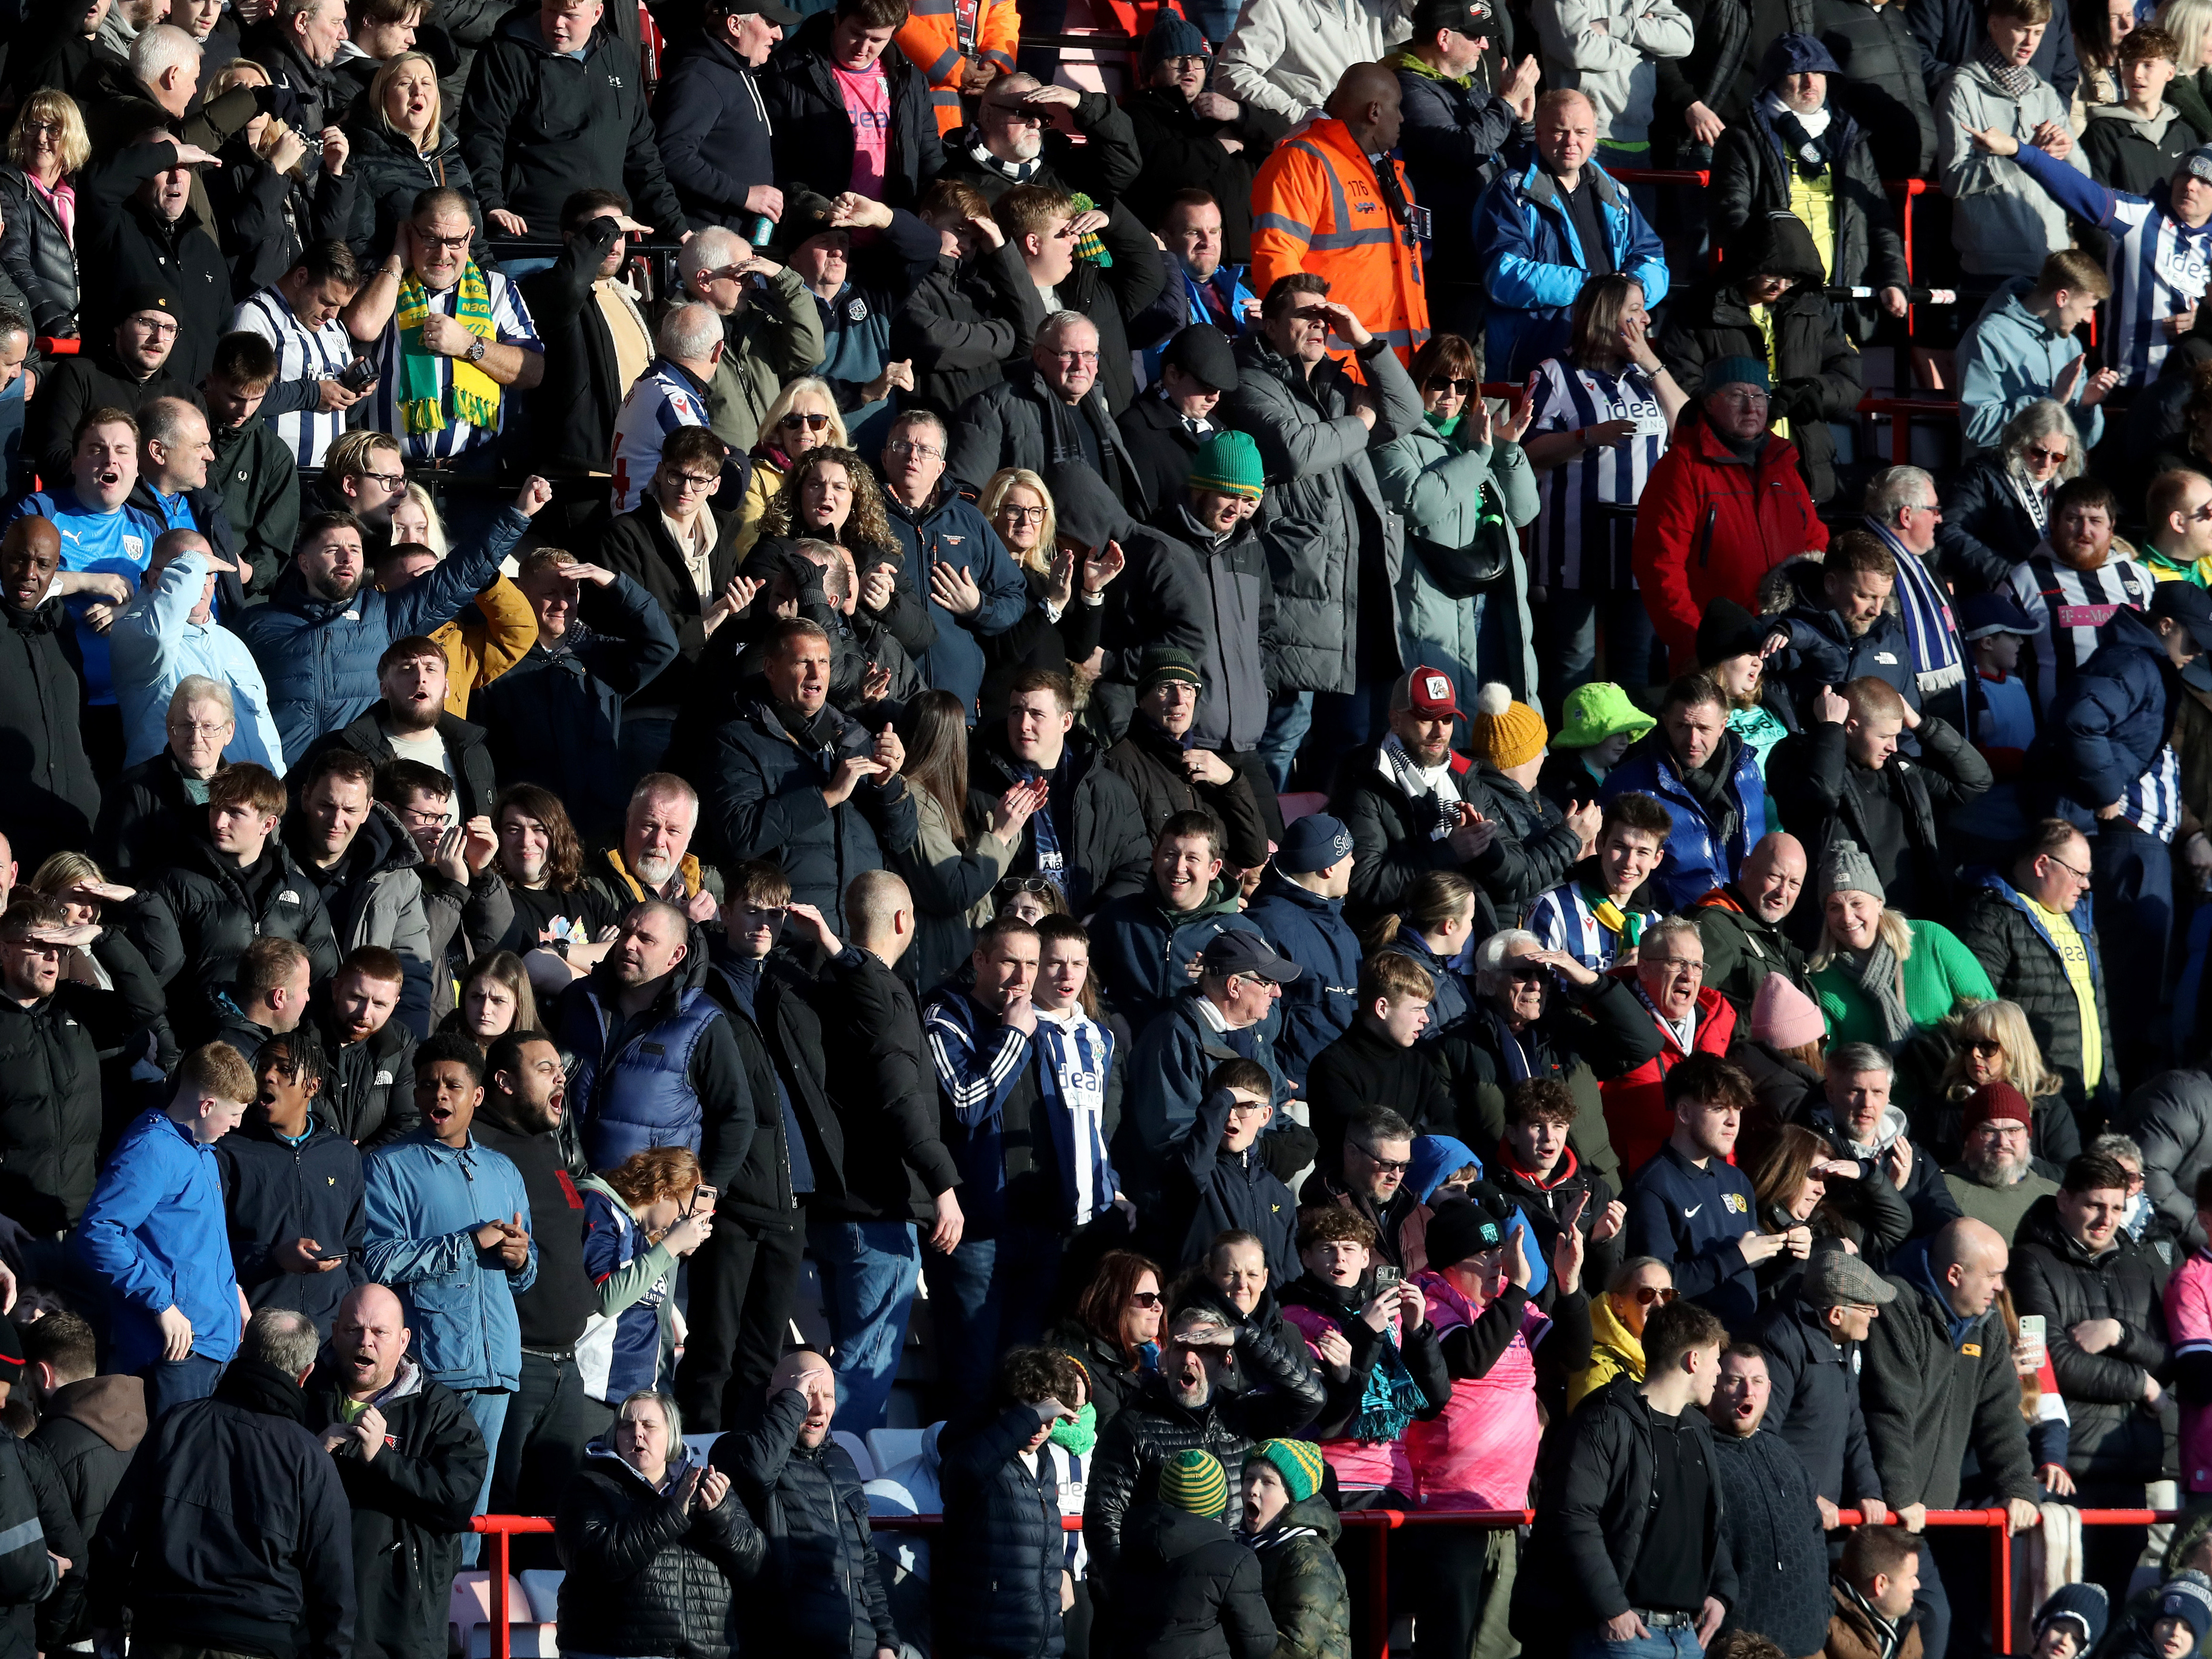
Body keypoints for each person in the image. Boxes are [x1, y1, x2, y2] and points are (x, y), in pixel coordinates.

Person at [1224, 271, 1422, 782]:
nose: (1319, 324)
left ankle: (1333, 854)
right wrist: (1359, 425)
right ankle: (1264, 851)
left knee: (1354, 750)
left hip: (1357, 601)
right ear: (1268, 325)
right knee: (1283, 740)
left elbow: (1407, 412)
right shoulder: (1247, 379)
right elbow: (1297, 451)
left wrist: (1366, 342)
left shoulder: (1336, 382)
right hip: (1297, 602)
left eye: (1326, 315)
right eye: (1304, 314)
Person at [86, 1308, 354, 1659]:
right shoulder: (309, 1458)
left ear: (241, 1350)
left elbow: (116, 1534)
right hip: (255, 1642)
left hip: (161, 1637)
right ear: (305, 1375)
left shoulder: (177, 1424)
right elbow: (333, 1583)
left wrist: (105, 1617)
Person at [241, 481, 549, 768]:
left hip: (362, 794)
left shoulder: (386, 616)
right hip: (281, 789)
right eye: (333, 550)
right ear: (305, 563)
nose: (347, 558)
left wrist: (517, 514)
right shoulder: (257, 625)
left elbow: (460, 573)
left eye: (356, 550)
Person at [362, 1032, 536, 1524]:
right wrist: (465, 1244)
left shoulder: (504, 1171)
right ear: (416, 1095)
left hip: (497, 1369)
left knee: (473, 1517)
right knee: (420, 1511)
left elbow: (525, 1278)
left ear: (477, 1095)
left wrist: (522, 1259)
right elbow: (377, 1261)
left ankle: (461, 1600)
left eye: (453, 1085)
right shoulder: (388, 1167)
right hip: (432, 1370)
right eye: (428, 1084)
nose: (440, 1093)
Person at [1512, 1296, 1737, 1655]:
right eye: (1716, 1361)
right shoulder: (1604, 1421)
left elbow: (1706, 1521)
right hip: (1621, 1637)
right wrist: (1612, 1607)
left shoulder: (1698, 1431)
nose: (1719, 1373)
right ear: (1694, 1361)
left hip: (1687, 1637)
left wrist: (1723, 1591)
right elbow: (1572, 1517)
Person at [1860, 1218, 2043, 1659]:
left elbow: (2001, 1413)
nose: (2001, 1288)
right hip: (1881, 1517)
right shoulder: (1898, 1304)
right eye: (1993, 1275)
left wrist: (2018, 1487)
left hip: (1929, 1522)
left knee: (1935, 1626)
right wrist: (1899, 1495)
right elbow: (1889, 1411)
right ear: (1955, 1274)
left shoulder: (1985, 1323)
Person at [2012, 1150, 2174, 1599]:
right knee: (2060, 1615)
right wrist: (2139, 1384)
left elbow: (2166, 1358)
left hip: (2130, 1464)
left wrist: (2120, 1334)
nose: (2107, 1219)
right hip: (2068, 1468)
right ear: (2063, 1199)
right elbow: (2053, 1362)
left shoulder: (2139, 1266)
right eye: (2095, 1205)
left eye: (2117, 1208)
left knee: (2112, 1607)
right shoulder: (2030, 1261)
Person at [1080, 1301, 1322, 1591]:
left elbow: (1311, 1397)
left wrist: (1245, 1337)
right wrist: (1131, 1595)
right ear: (1165, 1359)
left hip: (1241, 1590)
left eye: (1205, 1348)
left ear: (1225, 1362)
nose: (1190, 1358)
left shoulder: (1245, 1415)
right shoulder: (1133, 1424)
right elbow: (1103, 1518)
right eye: (1181, 1348)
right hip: (1168, 1598)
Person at [303, 1282, 485, 1659]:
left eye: (379, 1332)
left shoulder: (440, 1410)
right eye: (354, 1329)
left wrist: (384, 1461)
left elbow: (458, 1499)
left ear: (403, 1341)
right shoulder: (302, 1397)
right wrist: (311, 1455)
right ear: (335, 1333)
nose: (365, 1341)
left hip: (401, 1623)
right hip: (312, 1617)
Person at [703, 619, 919, 934]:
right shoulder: (736, 739)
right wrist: (827, 796)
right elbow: (740, 834)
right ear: (771, 669)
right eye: (803, 662)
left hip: (861, 935)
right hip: (786, 934)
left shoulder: (854, 737)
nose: (816, 674)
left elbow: (901, 840)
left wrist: (887, 785)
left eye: (823, 662)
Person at [74, 1040, 252, 1416]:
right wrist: (162, 1304)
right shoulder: (151, 1150)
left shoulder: (203, 1151)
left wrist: (231, 1290)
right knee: (174, 1466)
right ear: (207, 1106)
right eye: (234, 1114)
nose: (237, 1125)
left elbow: (197, 1243)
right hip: (175, 1351)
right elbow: (100, 1232)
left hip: (213, 1343)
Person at [1378, 331, 1543, 714]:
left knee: (1501, 716)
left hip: (1493, 599)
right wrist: (1478, 455)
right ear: (1418, 381)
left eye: (1462, 384)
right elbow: (1416, 504)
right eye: (1439, 382)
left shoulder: (1481, 432)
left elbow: (1523, 512)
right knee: (1447, 717)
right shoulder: (1394, 437)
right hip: (1433, 595)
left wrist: (1507, 450)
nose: (1450, 394)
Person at [1632, 359, 1832, 674]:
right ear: (1710, 403)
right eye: (1738, 395)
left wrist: (1809, 628)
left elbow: (1815, 543)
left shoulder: (1782, 463)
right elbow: (1660, 567)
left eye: (1760, 397)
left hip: (1787, 645)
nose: (1751, 407)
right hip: (1716, 654)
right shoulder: (1682, 468)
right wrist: (1694, 643)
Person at [713, 1349, 902, 1659]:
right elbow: (759, 1475)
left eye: (828, 1396)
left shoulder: (842, 1461)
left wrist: (885, 1640)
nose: (818, 1409)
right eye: (806, 1394)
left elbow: (865, 1561)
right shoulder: (736, 1449)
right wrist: (791, 1402)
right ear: (775, 1397)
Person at [1470, 90, 1671, 380]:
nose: (1571, 141)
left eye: (1581, 132)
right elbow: (1504, 276)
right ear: (1538, 133)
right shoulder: (1510, 193)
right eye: (1559, 131)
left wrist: (1630, 291)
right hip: (1538, 363)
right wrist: (1593, 287)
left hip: (1611, 359)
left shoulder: (1615, 193)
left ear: (1594, 137)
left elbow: (1653, 260)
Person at [554, 1387, 766, 1659]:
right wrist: (672, 1513)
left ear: (672, 1436)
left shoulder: (706, 1487)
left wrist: (719, 1515)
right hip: (614, 1651)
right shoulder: (589, 1485)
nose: (637, 1433)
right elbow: (590, 1559)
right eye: (626, 1426)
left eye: (649, 1426)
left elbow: (757, 1565)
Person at [338, 187, 544, 465]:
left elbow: (532, 371)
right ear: (410, 232)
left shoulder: (497, 289)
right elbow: (364, 326)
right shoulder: (384, 285)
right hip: (389, 473)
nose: (443, 254)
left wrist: (470, 346)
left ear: (470, 237)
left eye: (455, 241)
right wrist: (398, 257)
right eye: (431, 239)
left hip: (471, 472)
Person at [456, 0, 685, 248]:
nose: (557, 23)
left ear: (597, 13)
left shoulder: (619, 57)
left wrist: (676, 225)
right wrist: (490, 204)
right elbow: (482, 137)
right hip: (532, 238)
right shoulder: (506, 53)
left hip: (606, 239)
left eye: (570, 15)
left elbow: (641, 150)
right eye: (550, 10)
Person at [1247, 63, 1429, 367]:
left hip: (1403, 367)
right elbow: (1276, 261)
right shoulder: (1301, 163)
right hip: (1339, 368)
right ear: (1374, 112)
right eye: (1397, 108)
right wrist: (1306, 362)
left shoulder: (1394, 177)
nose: (1402, 119)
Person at [1957, 818, 2118, 1137]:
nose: (2085, 884)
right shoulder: (1991, 917)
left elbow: (2096, 1015)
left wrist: (2111, 1093)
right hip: (2034, 1109)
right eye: (2078, 873)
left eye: (2089, 875)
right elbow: (1976, 1019)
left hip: (2092, 1105)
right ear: (2042, 865)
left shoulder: (2080, 919)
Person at [933, 1347, 1083, 1659]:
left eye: (1050, 1417)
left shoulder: (1045, 1461)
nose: (1041, 1428)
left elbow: (1040, 1534)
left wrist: (1063, 1571)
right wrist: (1028, 1417)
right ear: (1008, 1406)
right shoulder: (973, 1449)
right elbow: (965, 1471)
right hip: (984, 1644)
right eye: (1034, 1414)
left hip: (1043, 1646)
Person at [219, 1028, 364, 1333]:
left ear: (312, 1086)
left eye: (284, 1070)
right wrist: (273, 1258)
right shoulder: (229, 1150)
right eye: (263, 1067)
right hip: (258, 1329)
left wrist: (358, 1306)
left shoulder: (342, 1155)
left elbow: (353, 1247)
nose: (268, 1077)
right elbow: (211, 1248)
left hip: (329, 1332)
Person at [1938, 0, 2093, 281]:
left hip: (2051, 262)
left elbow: (2082, 178)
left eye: (2038, 32)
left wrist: (2066, 152)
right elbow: (1953, 180)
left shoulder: (2043, 93)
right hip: (1991, 268)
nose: (2029, 42)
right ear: (1994, 24)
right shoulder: (1962, 90)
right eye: (2021, 30)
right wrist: (2019, 157)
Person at [109, 527, 282, 774]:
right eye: (188, 573)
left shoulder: (231, 643)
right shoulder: (135, 634)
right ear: (156, 579)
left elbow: (265, 730)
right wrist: (195, 562)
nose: (201, 584)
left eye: (208, 573)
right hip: (173, 803)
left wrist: (276, 785)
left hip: (248, 803)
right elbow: (159, 634)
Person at [1805, 843, 1997, 1063]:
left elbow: (1991, 1017)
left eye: (1857, 903)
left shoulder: (1930, 939)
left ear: (1879, 903)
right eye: (1835, 908)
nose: (1847, 917)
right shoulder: (1824, 980)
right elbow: (1830, 1063)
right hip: (1877, 1095)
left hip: (1955, 1084)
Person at [1621, 1054, 1772, 1330]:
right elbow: (1657, 1289)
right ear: (1684, 1113)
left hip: (1741, 1348)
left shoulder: (1736, 1180)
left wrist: (1788, 1257)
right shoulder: (1651, 1187)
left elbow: (1750, 1275)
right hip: (1688, 1352)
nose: (1733, 1121)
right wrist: (1735, 1258)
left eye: (1737, 1108)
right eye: (1719, 1108)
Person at [1601, 674, 1773, 913]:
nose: (1693, 741)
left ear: (1723, 726)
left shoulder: (1747, 772)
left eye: (1704, 729)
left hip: (1746, 924)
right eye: (1682, 727)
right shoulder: (1627, 786)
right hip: (1675, 931)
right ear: (1666, 721)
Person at [758, 0, 947, 212]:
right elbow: (772, 160)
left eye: (877, 40)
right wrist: (812, 213)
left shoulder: (909, 80)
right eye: (856, 34)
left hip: (888, 233)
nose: (863, 48)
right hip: (819, 231)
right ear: (838, 19)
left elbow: (929, 155)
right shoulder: (788, 71)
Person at [1707, 1344, 1832, 1659]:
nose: (1748, 1391)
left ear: (1769, 1390)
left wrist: (1824, 1604)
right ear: (1714, 1385)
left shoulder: (1784, 1452)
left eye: (1758, 1381)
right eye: (1735, 1380)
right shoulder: (1698, 1454)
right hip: (1742, 1648)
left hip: (1808, 1643)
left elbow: (1815, 1531)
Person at [1599, 916, 1744, 1177]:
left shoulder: (1719, 1021)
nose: (1689, 975)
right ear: (1643, 970)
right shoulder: (1606, 1022)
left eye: (1697, 966)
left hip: (1710, 1183)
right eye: (1677, 963)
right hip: (1639, 1186)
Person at [1111, 1447, 1275, 1659]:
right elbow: (1259, 1644)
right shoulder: (1235, 1561)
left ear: (1164, 1492)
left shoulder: (1132, 1539)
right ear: (1218, 1500)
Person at [1958, 248, 2119, 457]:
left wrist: (2086, 407)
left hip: (2054, 483)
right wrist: (2050, 403)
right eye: (2087, 307)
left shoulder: (2071, 345)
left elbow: (2085, 442)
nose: (2089, 319)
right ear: (2062, 298)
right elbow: (1978, 428)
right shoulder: (1989, 337)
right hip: (2000, 482)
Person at [1240, 813, 1361, 1080]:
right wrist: (1274, 1081)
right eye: (1348, 856)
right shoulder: (1268, 925)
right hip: (1296, 1096)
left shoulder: (1342, 928)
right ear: (1328, 867)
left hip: (1343, 1085)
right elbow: (1246, 1018)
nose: (1353, 862)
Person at [651, 0, 789, 233]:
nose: (779, 35)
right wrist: (743, 195)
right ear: (735, 25)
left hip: (731, 242)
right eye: (771, 23)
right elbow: (671, 156)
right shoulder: (698, 78)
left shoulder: (738, 71)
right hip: (702, 246)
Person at [1304, 955, 1454, 1163]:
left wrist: (1407, 1136)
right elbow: (1368, 1145)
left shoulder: (1419, 1066)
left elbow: (1452, 1130)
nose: (1426, 1019)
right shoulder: (1332, 1067)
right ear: (1382, 1008)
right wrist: (1417, 1137)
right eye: (1417, 1009)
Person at [1525, 791, 1669, 972]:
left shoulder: (1657, 927)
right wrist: (1612, 982)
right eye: (1620, 847)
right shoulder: (1553, 909)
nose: (1629, 863)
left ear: (1657, 859)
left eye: (1642, 853)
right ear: (1601, 843)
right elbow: (1535, 994)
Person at [1236, 1439, 1348, 1659]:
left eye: (1268, 1483)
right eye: (1249, 1479)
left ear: (1292, 1498)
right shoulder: (1249, 1545)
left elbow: (1297, 1644)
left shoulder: (1307, 1556)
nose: (1253, 1490)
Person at [1689, 832, 1812, 1013]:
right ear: (1747, 868)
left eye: (1794, 883)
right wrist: (1758, 1031)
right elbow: (1691, 1008)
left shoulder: (1771, 937)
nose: (1783, 892)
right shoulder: (1714, 927)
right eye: (1775, 876)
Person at [1945, 1081, 2066, 1238]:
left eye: (2013, 1131)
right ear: (1968, 1139)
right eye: (1989, 1131)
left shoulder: (2054, 1197)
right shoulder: (1945, 1193)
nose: (2002, 1142)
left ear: (2027, 1137)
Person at [1825, 1525, 1926, 1659]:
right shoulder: (1820, 1629)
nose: (1917, 1585)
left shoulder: (1906, 1623)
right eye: (1910, 1578)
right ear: (1881, 1584)